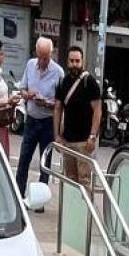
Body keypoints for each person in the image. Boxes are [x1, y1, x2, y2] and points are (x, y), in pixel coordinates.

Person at [15, 37, 63, 194]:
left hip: (48, 121)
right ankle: (19, 194)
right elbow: (22, 87)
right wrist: (27, 94)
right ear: (36, 52)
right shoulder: (30, 65)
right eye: (40, 56)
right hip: (31, 119)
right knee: (24, 159)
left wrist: (46, 103)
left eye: (46, 57)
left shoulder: (58, 72)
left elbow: (60, 103)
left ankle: (40, 198)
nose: (43, 61)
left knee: (45, 163)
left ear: (51, 54)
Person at [53, 46, 102, 189]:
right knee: (70, 181)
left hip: (84, 142)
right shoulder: (62, 83)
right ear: (67, 62)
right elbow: (57, 109)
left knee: (84, 181)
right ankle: (70, 211)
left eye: (77, 61)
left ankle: (86, 211)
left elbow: (97, 111)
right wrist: (56, 135)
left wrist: (92, 136)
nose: (74, 64)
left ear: (82, 62)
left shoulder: (90, 82)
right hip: (67, 140)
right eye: (71, 61)